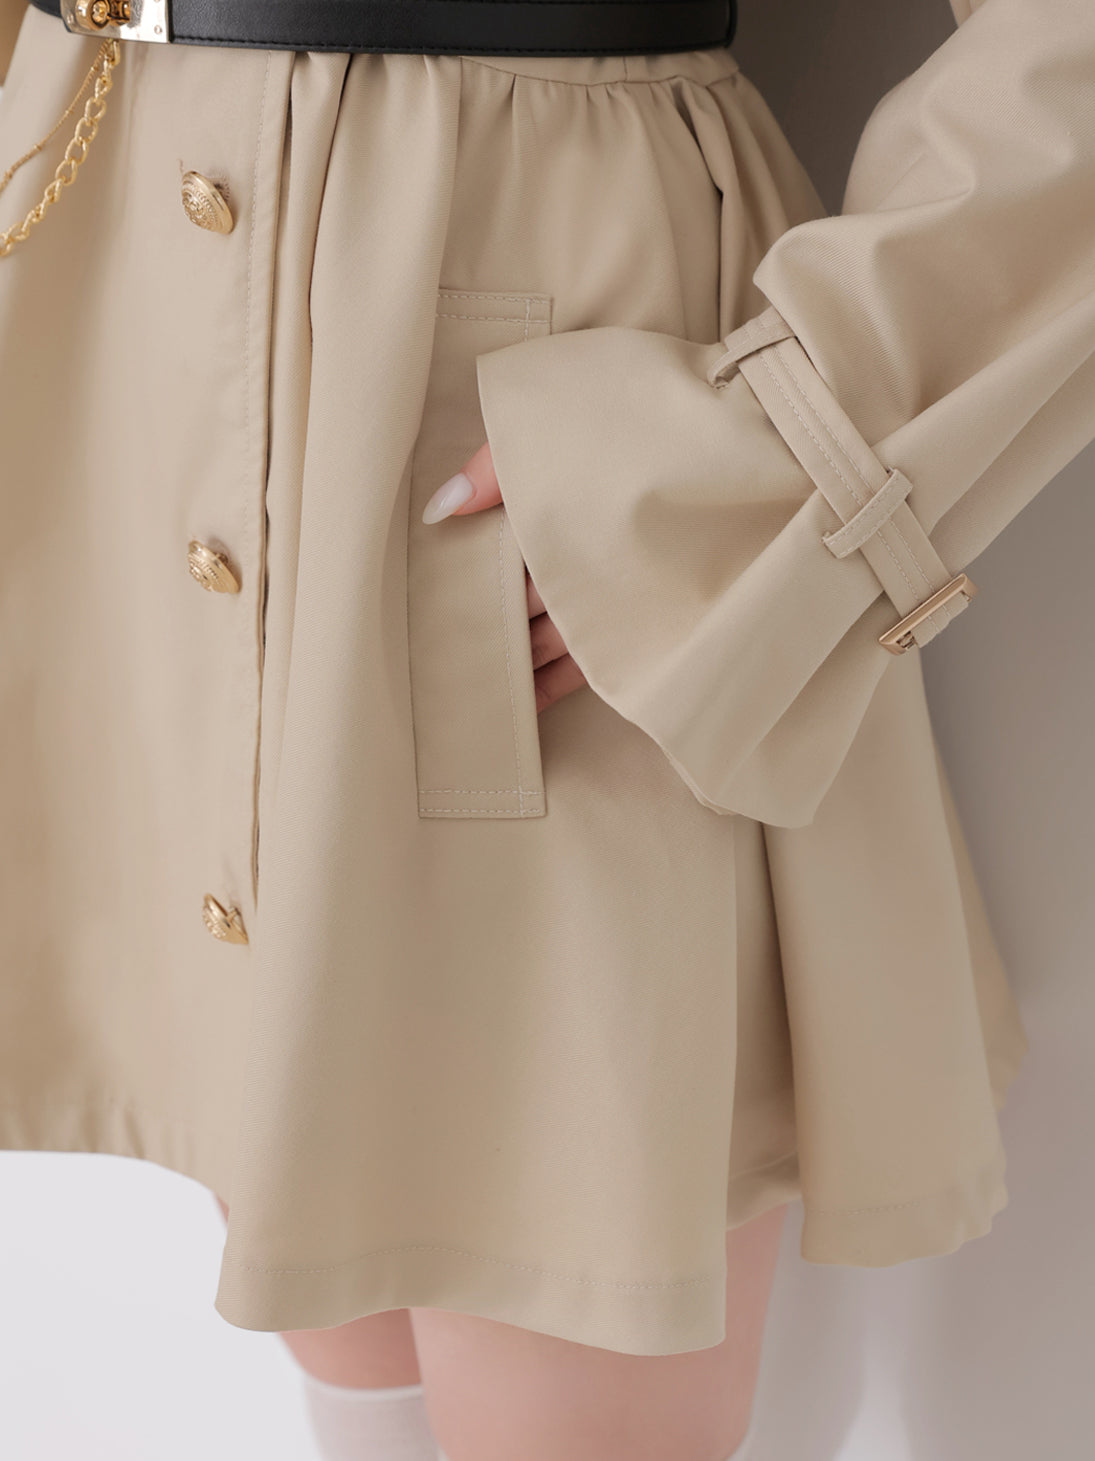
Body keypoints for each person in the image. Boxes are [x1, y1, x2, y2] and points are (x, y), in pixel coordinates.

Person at [0, 0, 1091, 1458]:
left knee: (555, 1311)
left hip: (526, 337)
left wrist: (754, 458)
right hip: (127, 273)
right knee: (334, 1275)